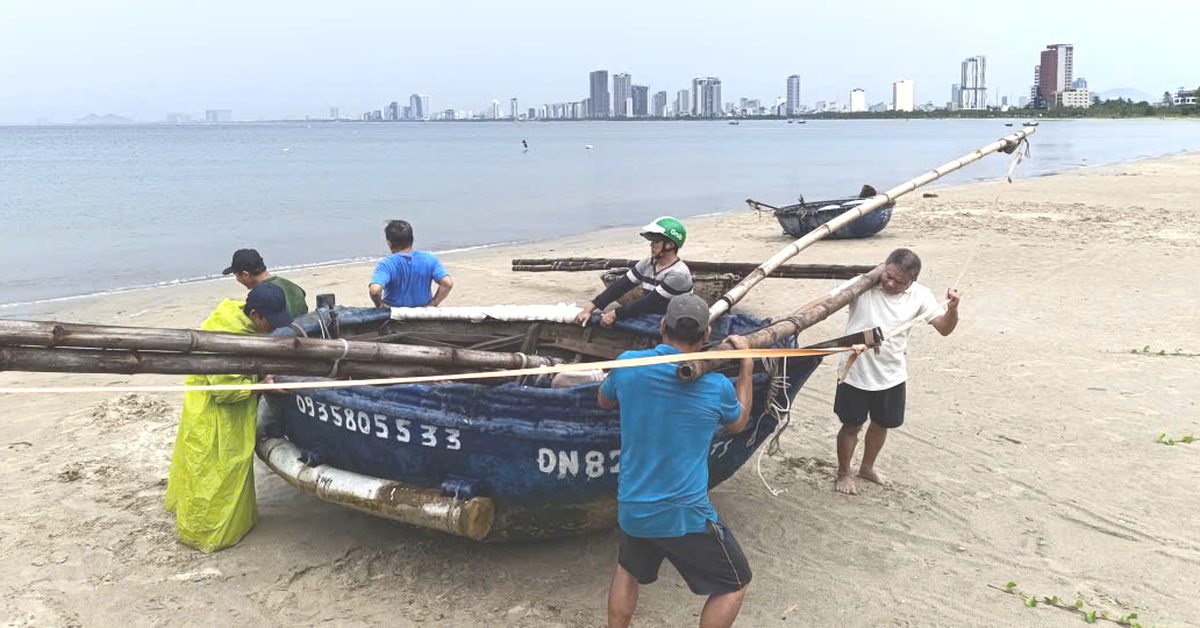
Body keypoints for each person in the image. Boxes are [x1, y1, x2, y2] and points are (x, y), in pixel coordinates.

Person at [598, 294, 755, 628]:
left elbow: (604, 399)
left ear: (662, 326)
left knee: (628, 570)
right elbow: (739, 423)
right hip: (685, 515)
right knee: (735, 583)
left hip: (634, 505)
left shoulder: (629, 365)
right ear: (706, 335)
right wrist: (746, 368)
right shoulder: (715, 386)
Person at [164, 282, 294, 552]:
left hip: (233, 412)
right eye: (270, 321)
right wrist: (262, 385)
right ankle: (208, 530)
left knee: (234, 466)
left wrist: (260, 376)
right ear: (255, 314)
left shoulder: (244, 321)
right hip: (214, 412)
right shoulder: (227, 331)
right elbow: (225, 391)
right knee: (212, 467)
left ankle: (237, 520)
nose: (273, 327)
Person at [834, 248, 961, 495]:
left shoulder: (920, 295)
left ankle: (867, 468)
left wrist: (953, 309)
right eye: (888, 276)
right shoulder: (863, 285)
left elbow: (944, 329)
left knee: (882, 424)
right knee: (851, 425)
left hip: (892, 374)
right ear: (884, 267)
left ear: (912, 281)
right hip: (855, 371)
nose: (891, 283)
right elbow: (829, 303)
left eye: (899, 281)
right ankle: (843, 472)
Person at [574, 217, 692, 328]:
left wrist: (615, 313)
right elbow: (620, 286)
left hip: (674, 323)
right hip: (652, 316)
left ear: (670, 245)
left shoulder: (678, 274)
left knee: (617, 318)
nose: (651, 245)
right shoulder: (647, 264)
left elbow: (649, 302)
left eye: (655, 241)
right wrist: (589, 308)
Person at [369, 220, 454, 308]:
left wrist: (380, 305)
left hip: (395, 314)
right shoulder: (429, 258)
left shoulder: (387, 264)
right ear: (412, 239)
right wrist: (433, 303)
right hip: (422, 313)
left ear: (389, 243)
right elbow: (447, 283)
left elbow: (374, 291)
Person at [222, 248, 308, 317]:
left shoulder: (259, 297)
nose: (237, 279)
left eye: (236, 274)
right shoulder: (295, 287)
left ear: (245, 275)